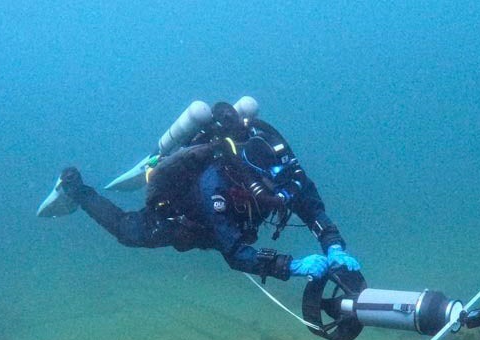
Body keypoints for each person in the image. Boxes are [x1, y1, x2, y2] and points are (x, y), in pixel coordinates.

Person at [54, 101, 361, 282]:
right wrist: (290, 266)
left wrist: (333, 245)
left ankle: (145, 165)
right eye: (268, 183)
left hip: (233, 222)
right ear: (247, 177)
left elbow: (310, 206)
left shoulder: (282, 170)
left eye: (278, 179)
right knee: (128, 232)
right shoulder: (216, 183)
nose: (277, 191)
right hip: (185, 217)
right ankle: (78, 190)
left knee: (292, 197)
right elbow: (236, 254)